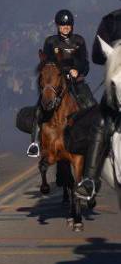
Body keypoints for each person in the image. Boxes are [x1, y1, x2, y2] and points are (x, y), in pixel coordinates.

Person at [76, 0, 121, 200]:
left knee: (101, 122)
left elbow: (96, 56)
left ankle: (90, 180)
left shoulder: (110, 21)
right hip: (117, 88)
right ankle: (90, 180)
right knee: (101, 121)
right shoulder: (110, 21)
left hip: (115, 86)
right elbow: (94, 54)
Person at [27, 9, 94, 157]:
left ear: (72, 26)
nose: (66, 27)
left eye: (68, 25)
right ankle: (35, 143)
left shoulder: (79, 41)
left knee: (91, 105)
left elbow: (85, 62)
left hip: (76, 82)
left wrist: (77, 70)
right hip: (57, 82)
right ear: (57, 26)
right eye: (63, 25)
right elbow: (46, 63)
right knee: (40, 107)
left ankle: (95, 141)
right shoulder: (50, 42)